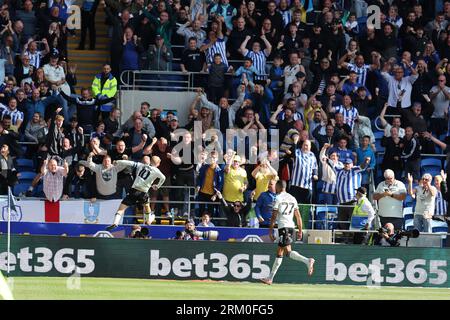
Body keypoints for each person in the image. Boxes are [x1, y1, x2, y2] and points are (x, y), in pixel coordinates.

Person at [260, 180, 315, 285]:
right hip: (290, 227)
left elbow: (274, 216)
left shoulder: (278, 198)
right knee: (283, 252)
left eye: (276, 187)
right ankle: (270, 278)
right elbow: (298, 216)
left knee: (284, 252)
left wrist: (270, 230)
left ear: (278, 187)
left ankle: (307, 261)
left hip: (283, 228)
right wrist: (299, 230)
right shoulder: (292, 198)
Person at [106, 155, 166, 231]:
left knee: (121, 209)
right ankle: (149, 220)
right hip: (143, 193)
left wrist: (117, 161)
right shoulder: (157, 171)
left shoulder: (141, 165)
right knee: (147, 207)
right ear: (158, 164)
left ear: (150, 161)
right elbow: (163, 178)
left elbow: (128, 163)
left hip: (134, 191)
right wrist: (157, 186)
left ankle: (115, 222)